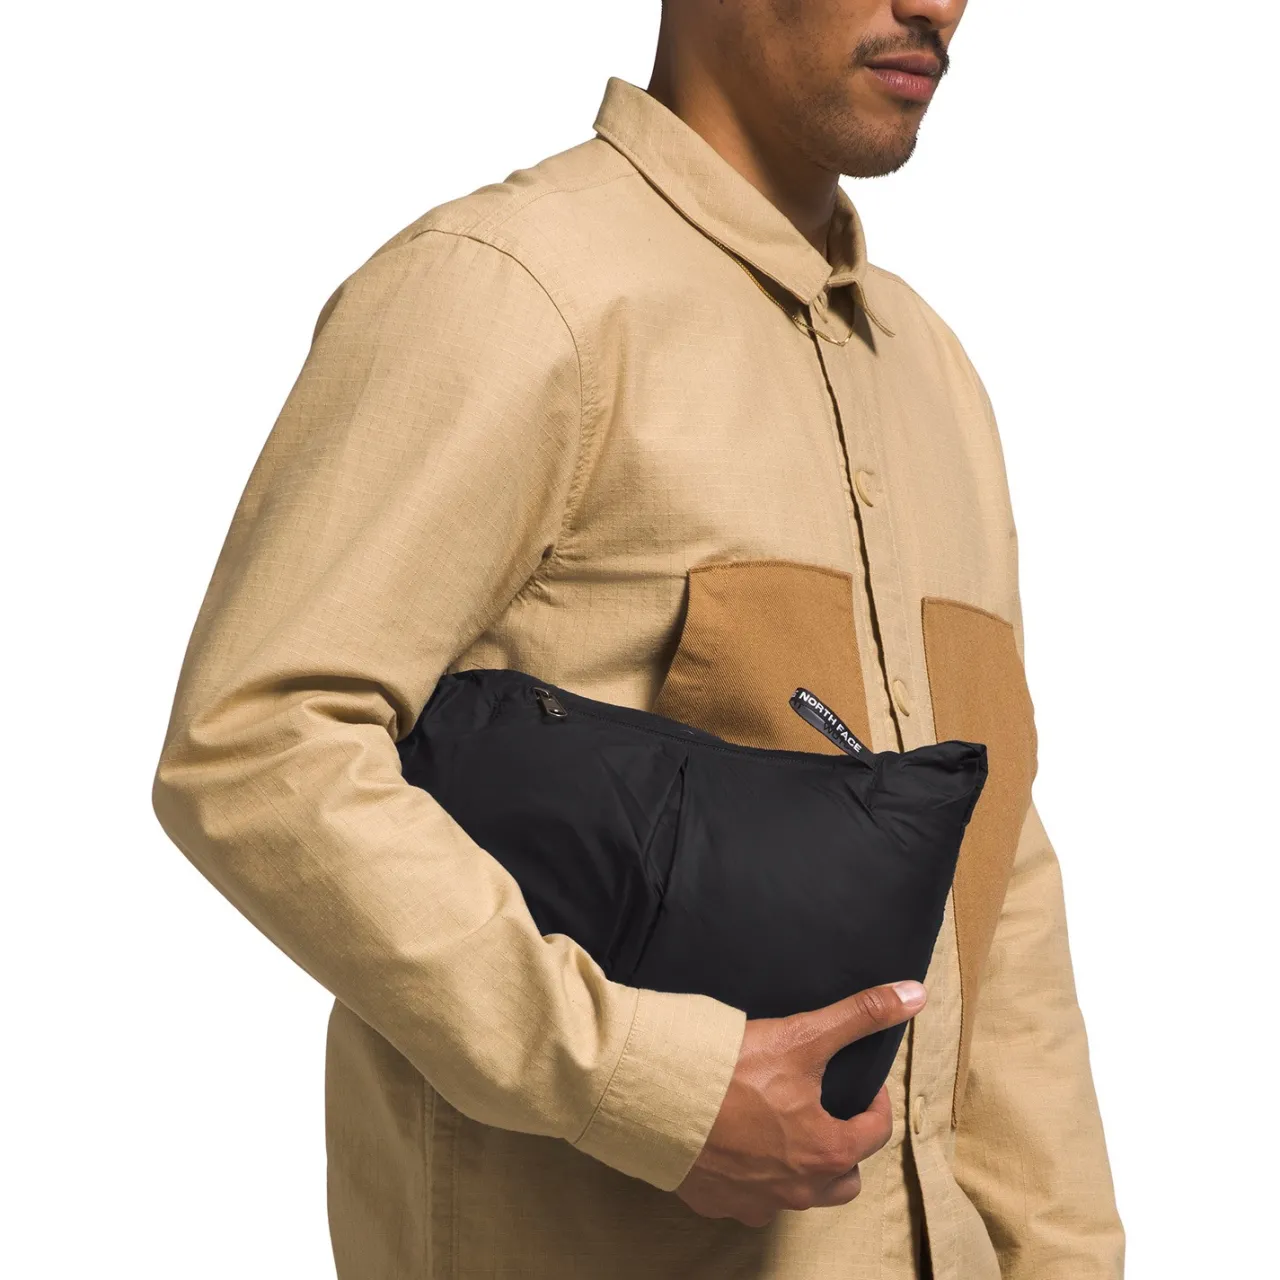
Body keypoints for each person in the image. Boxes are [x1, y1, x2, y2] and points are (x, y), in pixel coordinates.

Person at [151, 1, 1125, 1276]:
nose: (935, 5)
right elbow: (256, 743)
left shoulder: (928, 371)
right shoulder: (512, 291)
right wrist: (646, 1080)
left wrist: (1061, 1253)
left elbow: (997, 882)